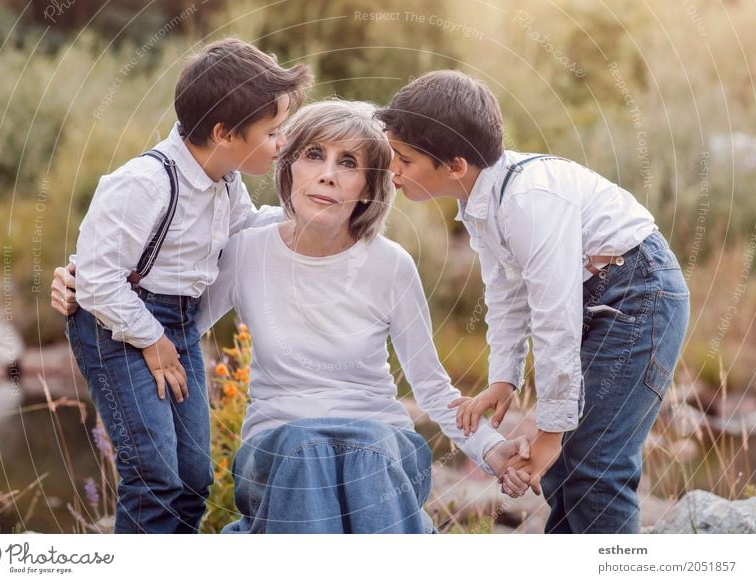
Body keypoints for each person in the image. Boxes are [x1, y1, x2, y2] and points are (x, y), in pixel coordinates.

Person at [54, 99, 532, 534]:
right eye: (313, 155)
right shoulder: (246, 251)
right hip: (279, 452)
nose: (327, 174)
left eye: (348, 163)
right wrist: (91, 288)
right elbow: (175, 325)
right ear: (289, 166)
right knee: (308, 454)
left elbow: (431, 388)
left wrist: (493, 451)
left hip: (380, 452)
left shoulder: (391, 266)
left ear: (369, 187)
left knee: (365, 454)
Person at [376, 70, 690, 533]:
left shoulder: (528, 200)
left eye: (404, 159)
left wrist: (550, 431)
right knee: (569, 466)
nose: (393, 170)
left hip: (639, 294)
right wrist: (503, 379)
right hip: (600, 298)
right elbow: (506, 296)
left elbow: (555, 318)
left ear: (455, 165)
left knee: (595, 466)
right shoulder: (483, 203)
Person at [60, 38, 312, 533]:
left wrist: (308, 222)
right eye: (273, 132)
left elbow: (244, 228)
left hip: (176, 326)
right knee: (153, 476)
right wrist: (152, 342)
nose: (282, 143)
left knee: (194, 478)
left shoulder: (225, 179)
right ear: (224, 132)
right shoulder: (146, 184)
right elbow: (94, 280)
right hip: (118, 326)